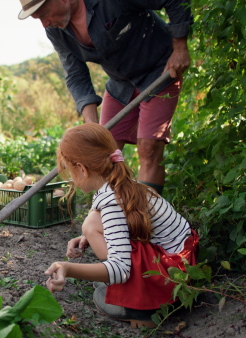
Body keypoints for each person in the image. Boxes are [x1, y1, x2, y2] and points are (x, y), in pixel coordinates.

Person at [17, 0, 192, 195]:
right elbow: (76, 74)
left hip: (160, 71)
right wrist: (91, 121)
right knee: (101, 151)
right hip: (120, 84)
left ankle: (148, 219)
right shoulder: (55, 31)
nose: (44, 23)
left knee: (149, 148)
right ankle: (114, 213)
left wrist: (180, 47)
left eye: (43, 14)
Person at [44, 123, 199, 328]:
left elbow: (121, 269)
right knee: (91, 225)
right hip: (182, 259)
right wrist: (87, 238)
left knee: (91, 226)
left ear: (81, 168)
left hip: (169, 275)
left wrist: (67, 268)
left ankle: (142, 309)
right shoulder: (119, 183)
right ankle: (134, 292)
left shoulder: (111, 201)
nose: (71, 178)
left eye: (69, 170)